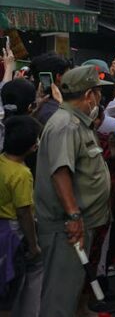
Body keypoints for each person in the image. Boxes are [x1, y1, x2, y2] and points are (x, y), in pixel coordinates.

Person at [33, 65, 112, 317]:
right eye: (99, 93)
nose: (100, 98)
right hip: (66, 227)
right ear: (89, 95)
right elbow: (60, 172)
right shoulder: (65, 125)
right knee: (59, 300)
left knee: (68, 295)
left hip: (78, 224)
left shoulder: (77, 122)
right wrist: (74, 215)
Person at [0, 116, 42, 316]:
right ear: (32, 146)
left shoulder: (2, 162)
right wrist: (33, 245)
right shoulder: (22, 174)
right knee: (9, 292)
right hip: (12, 236)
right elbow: (24, 212)